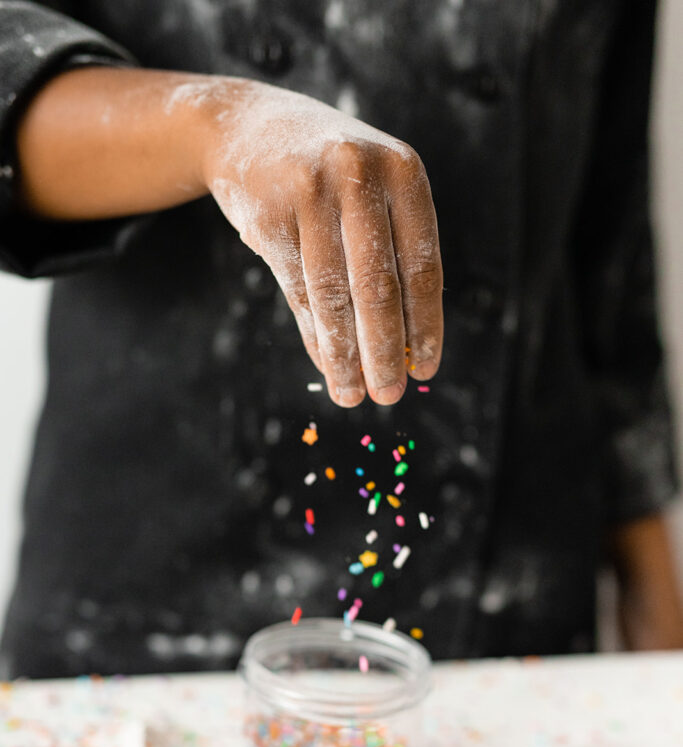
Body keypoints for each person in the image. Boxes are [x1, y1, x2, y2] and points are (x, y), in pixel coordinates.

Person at [0, 0, 681, 679]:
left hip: (507, 568)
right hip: (154, 562)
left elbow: (607, 227)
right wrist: (217, 125)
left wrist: (647, 561)